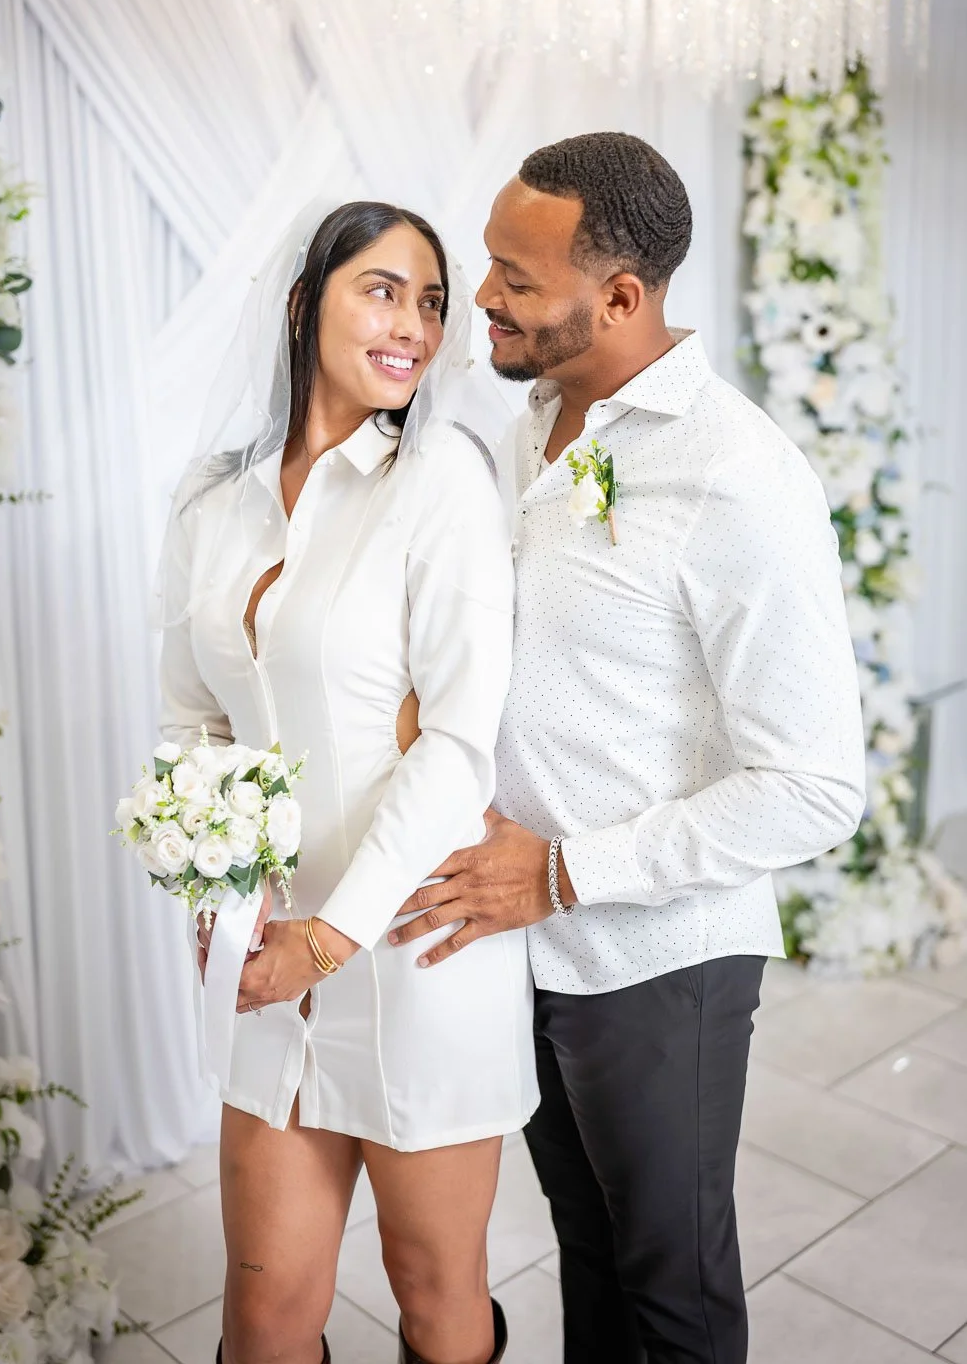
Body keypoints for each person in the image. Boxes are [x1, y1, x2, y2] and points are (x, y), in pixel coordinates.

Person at [388, 133, 867, 1363]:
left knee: (670, 1287)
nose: (478, 299)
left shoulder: (735, 476)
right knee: (585, 1251)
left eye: (511, 276)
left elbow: (814, 787)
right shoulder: (520, 427)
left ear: (618, 297)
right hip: (520, 947)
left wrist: (559, 871)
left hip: (658, 959)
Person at [157, 202, 536, 1364]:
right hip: (271, 963)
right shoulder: (216, 503)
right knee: (264, 1318)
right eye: (381, 289)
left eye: (429, 300)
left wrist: (327, 938)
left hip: (417, 946)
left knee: (433, 1294)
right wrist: (216, 901)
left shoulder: (442, 487)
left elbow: (458, 743)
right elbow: (191, 716)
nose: (415, 324)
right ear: (298, 305)